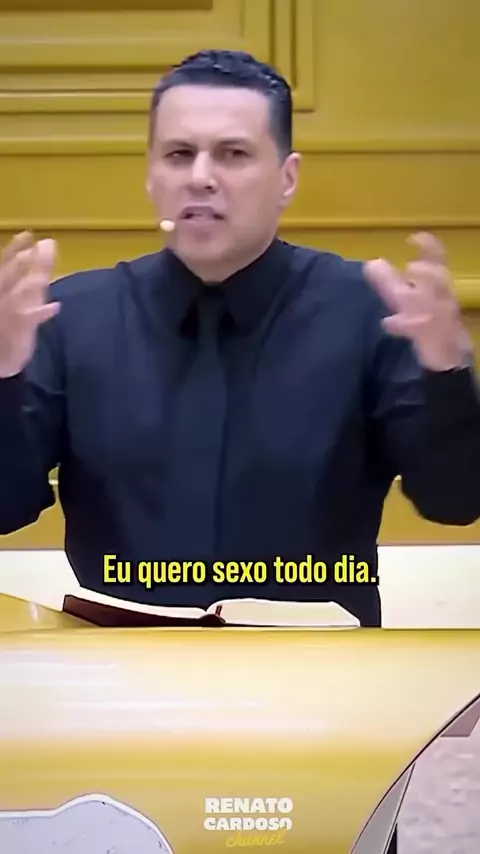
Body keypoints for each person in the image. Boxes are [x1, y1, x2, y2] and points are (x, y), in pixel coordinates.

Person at [1, 48, 480, 629]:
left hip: (324, 670)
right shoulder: (67, 316)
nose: (200, 177)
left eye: (233, 154)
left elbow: (456, 502)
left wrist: (448, 375)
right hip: (116, 665)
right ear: (152, 176)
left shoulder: (373, 313)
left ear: (287, 178)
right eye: (179, 154)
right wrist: (3, 378)